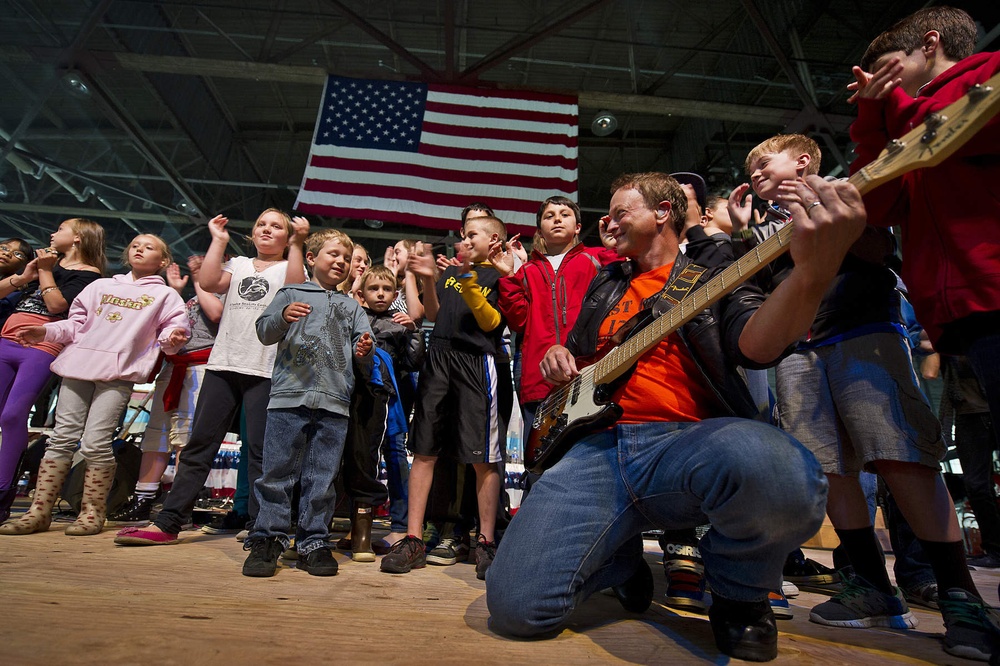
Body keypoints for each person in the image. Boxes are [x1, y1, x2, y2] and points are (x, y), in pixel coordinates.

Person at [485, 172, 867, 662]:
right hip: (595, 449)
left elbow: (757, 346)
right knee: (517, 609)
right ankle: (618, 563)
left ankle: (739, 593)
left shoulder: (713, 277)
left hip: (687, 445)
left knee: (782, 471)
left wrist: (812, 275)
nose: (608, 221)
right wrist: (560, 353)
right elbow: (578, 358)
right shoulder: (606, 283)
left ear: (663, 213)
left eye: (621, 212)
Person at [849, 6, 1000, 461]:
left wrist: (888, 107)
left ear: (930, 44)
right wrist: (873, 121)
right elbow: (876, 203)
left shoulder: (990, 74)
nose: (876, 84)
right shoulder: (901, 124)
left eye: (884, 71)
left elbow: (947, 132)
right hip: (965, 308)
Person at [114, 208, 308, 546]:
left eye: (276, 226)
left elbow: (295, 287)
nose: (266, 229)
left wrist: (297, 245)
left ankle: (260, 525)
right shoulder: (239, 264)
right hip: (223, 365)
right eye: (261, 223)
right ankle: (170, 521)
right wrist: (218, 240)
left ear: (286, 236)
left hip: (265, 368)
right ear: (251, 233)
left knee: (260, 452)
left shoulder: (290, 266)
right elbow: (207, 282)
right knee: (198, 444)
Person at [0, 234, 188, 536]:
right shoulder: (100, 286)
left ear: (163, 261)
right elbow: (74, 325)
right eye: (135, 245)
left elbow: (173, 332)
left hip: (119, 374)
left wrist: (173, 338)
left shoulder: (165, 296)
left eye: (149, 247)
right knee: (61, 437)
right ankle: (39, 512)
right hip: (77, 367)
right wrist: (45, 331)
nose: (139, 249)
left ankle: (92, 512)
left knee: (96, 442)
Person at [380, 215, 510, 579]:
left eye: (472, 235)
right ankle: (413, 538)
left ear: (495, 241)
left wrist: (469, 280)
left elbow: (491, 323)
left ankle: (485, 541)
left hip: (475, 360)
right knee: (424, 450)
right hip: (438, 358)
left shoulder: (500, 276)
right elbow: (434, 315)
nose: (463, 240)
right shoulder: (451, 273)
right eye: (463, 235)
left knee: (482, 456)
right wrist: (427, 281)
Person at [241, 228, 373, 577]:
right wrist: (283, 317)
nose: (341, 262)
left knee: (322, 476)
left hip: (334, 403)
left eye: (346, 258)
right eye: (333, 254)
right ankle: (268, 538)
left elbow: (366, 346)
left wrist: (365, 349)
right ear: (312, 259)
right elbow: (264, 331)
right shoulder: (290, 292)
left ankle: (313, 541)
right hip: (288, 398)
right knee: (276, 472)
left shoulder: (350, 305)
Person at [488, 196, 612, 493]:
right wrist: (508, 276)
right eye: (549, 216)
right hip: (537, 377)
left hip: (588, 373)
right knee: (542, 463)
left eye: (564, 214)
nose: (557, 219)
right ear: (539, 231)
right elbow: (518, 321)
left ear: (577, 227)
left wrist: (612, 248)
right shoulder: (526, 271)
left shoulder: (596, 259)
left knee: (589, 458)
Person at [106, 256, 224, 527]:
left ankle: (179, 505)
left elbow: (216, 314)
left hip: (201, 367)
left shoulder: (228, 292)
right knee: (156, 433)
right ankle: (143, 499)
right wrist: (177, 293)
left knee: (187, 437)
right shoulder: (194, 296)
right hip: (174, 366)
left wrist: (197, 279)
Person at [0, 220, 105, 523]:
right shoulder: (44, 265)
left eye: (59, 229)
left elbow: (57, 305)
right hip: (6, 340)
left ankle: (3, 491)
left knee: (12, 415)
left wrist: (45, 270)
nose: (51, 234)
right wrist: (26, 276)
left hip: (41, 348)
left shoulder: (89, 276)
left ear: (76, 238)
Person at [337, 265, 423, 554]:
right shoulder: (353, 319)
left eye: (386, 289)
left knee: (396, 458)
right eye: (374, 289)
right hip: (360, 401)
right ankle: (359, 522)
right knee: (361, 460)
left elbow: (414, 363)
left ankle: (400, 525)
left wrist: (413, 332)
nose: (381, 294)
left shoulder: (400, 323)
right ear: (361, 294)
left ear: (395, 293)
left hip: (393, 402)